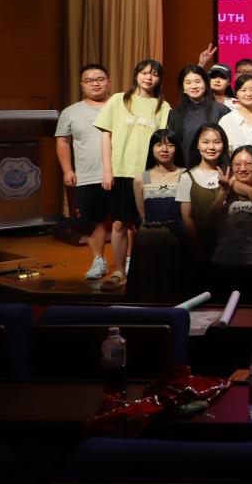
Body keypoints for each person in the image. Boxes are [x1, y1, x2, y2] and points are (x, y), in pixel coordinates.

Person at [96, 59, 170, 288]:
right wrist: (107, 170)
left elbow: (163, 143)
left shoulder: (163, 106)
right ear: (136, 75)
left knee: (145, 227)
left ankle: (141, 271)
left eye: (154, 74)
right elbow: (106, 135)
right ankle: (119, 271)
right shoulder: (118, 100)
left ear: (159, 79)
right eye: (144, 73)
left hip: (148, 175)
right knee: (119, 223)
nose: (149, 77)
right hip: (120, 172)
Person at [56, 63, 112, 282]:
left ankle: (128, 260)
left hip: (121, 172)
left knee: (124, 221)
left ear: (108, 82)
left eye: (99, 79)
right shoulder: (71, 112)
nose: (95, 84)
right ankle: (98, 260)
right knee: (94, 221)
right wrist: (67, 169)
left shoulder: (120, 106)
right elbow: (62, 141)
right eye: (89, 80)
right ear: (82, 85)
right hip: (88, 175)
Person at [210, 146, 252, 301]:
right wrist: (223, 191)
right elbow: (209, 223)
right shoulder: (224, 190)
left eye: (248, 164)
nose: (242, 169)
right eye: (237, 164)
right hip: (224, 261)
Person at [126, 129, 183, 302]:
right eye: (159, 145)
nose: (164, 149)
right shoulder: (141, 179)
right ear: (151, 148)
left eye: (170, 145)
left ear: (177, 148)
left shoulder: (185, 175)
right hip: (149, 240)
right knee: (148, 287)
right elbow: (142, 215)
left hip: (177, 239)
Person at [177, 123, 231, 294]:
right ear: (197, 145)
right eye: (206, 142)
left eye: (217, 142)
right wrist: (197, 248)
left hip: (229, 247)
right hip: (198, 245)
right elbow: (186, 217)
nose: (211, 147)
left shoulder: (232, 175)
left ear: (224, 145)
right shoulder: (187, 176)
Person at [169, 65, 231, 166]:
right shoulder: (175, 114)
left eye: (198, 81)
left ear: (206, 84)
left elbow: (229, 144)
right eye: (188, 82)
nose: (194, 86)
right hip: (184, 169)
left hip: (216, 169)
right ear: (183, 88)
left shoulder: (221, 110)